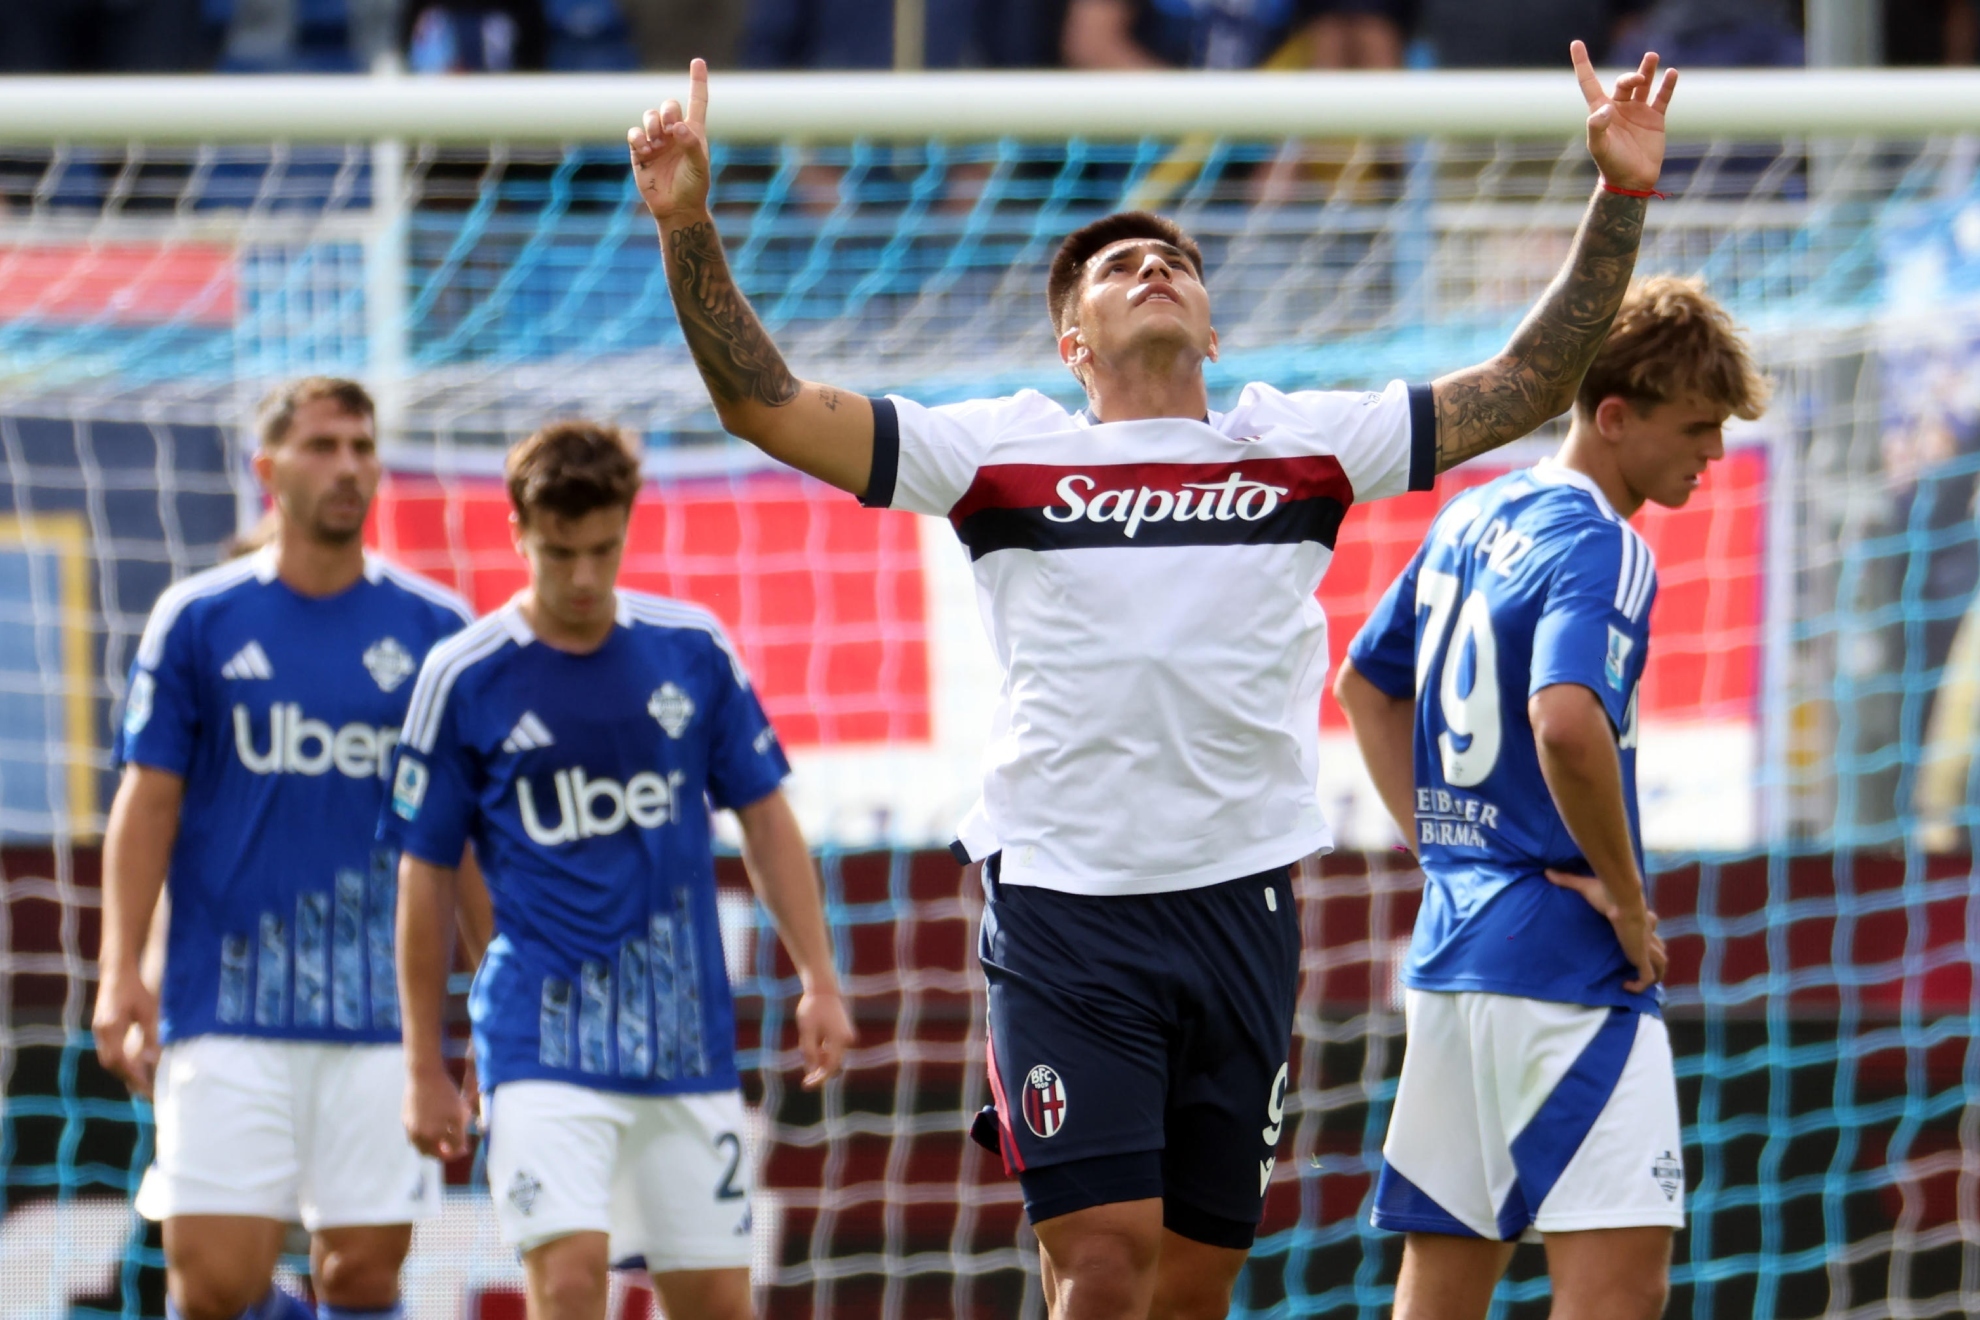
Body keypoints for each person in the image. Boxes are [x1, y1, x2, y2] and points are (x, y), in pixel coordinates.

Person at [628, 44, 1676, 1319]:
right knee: (1103, 1259)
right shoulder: (998, 453)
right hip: (1068, 907)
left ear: (1214, 324)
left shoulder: (1298, 444)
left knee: (1192, 1280)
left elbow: (1523, 385)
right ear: (1074, 340)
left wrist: (1617, 198)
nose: (1153, 268)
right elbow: (767, 405)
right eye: (1120, 268)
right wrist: (689, 224)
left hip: (1240, 905)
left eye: (1174, 260)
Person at [1333, 276, 1766, 1319]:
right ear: (1613, 417)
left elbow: (1362, 685)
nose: (1712, 454)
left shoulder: (1473, 514)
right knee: (1618, 1290)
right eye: (1697, 427)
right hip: (1565, 970)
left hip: (1450, 962)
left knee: (1440, 1289)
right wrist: (1624, 894)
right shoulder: (1606, 545)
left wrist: (1443, 857)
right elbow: (1566, 721)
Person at [385, 421, 856, 1320]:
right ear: (519, 531)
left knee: (716, 1303)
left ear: (629, 525)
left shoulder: (692, 651)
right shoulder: (465, 675)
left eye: (604, 549)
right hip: (540, 1045)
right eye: (561, 553)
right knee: (566, 1288)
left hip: (685, 1050)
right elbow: (426, 872)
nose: (585, 577)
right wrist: (422, 1063)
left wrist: (819, 979)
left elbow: (764, 817)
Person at [92, 377, 479, 1320]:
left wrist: (505, 980)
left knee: (362, 1278)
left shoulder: (436, 634)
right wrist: (119, 970)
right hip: (223, 1005)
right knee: (215, 1285)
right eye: (322, 447)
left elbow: (462, 833)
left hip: (380, 1017)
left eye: (361, 446)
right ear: (268, 470)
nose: (348, 467)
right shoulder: (199, 619)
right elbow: (146, 806)